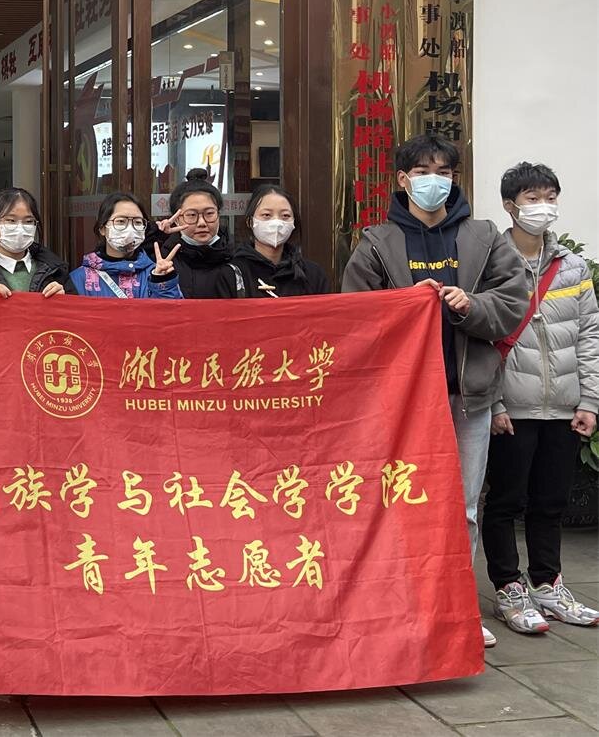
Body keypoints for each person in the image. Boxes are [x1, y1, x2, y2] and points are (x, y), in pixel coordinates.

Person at [341, 133, 528, 650]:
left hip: (469, 398)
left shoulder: (484, 236)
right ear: (403, 180)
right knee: (400, 505)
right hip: (401, 405)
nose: (434, 181)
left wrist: (471, 305)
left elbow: (513, 302)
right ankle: (402, 605)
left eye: (444, 172)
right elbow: (356, 314)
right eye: (423, 171)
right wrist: (404, 303)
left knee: (463, 508)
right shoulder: (377, 242)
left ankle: (455, 607)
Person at [482, 162, 599, 634]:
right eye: (532, 198)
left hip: (564, 405)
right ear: (510, 205)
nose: (543, 207)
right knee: (505, 501)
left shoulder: (572, 266)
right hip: (512, 406)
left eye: (550, 197)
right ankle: (508, 587)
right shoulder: (491, 263)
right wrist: (494, 404)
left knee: (551, 501)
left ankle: (548, 583)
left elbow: (589, 335)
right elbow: (481, 339)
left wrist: (589, 401)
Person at [152, 169, 244, 299]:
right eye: (191, 215)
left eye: (209, 213)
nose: (202, 223)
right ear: (177, 219)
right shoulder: (164, 259)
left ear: (218, 214)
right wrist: (159, 233)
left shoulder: (236, 259)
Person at [70, 192, 182, 299]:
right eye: (121, 221)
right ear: (102, 228)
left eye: (137, 222)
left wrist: (162, 282)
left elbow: (171, 311)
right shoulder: (79, 278)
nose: (130, 229)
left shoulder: (156, 273)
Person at [232, 184, 331, 297]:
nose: (277, 222)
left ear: (293, 223)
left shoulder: (313, 275)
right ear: (250, 222)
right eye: (267, 215)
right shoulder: (232, 274)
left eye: (285, 216)